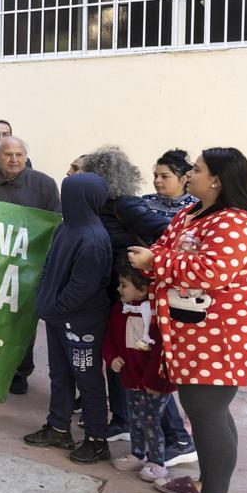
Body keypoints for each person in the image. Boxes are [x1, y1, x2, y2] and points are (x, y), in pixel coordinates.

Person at [128, 148, 247, 493]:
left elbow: (211, 272)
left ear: (217, 179)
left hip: (220, 339)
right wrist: (154, 261)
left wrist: (155, 263)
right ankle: (206, 482)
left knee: (208, 414)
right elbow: (165, 247)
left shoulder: (236, 222)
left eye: (196, 169)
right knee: (205, 410)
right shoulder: (191, 213)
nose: (189, 174)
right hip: (192, 336)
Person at [80, 146, 196, 463]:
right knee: (121, 361)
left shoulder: (127, 205)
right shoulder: (99, 207)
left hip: (136, 297)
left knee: (145, 364)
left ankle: (179, 439)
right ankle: (123, 421)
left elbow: (167, 234)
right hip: (115, 296)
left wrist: (141, 270)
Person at [22, 172, 113, 465]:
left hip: (81, 324)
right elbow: (49, 264)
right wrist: (43, 298)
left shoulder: (94, 239)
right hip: (57, 317)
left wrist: (55, 306)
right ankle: (59, 427)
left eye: (68, 193)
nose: (64, 199)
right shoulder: (66, 228)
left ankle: (97, 440)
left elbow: (82, 288)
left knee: (87, 379)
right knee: (59, 374)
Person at [0, 136, 60, 394]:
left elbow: (54, 224)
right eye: (8, 155)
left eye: (19, 155)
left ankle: (20, 371)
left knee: (21, 320)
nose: (14, 159)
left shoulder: (44, 185)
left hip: (26, 267)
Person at [103, 262, 175, 483]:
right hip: (131, 378)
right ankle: (137, 453)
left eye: (124, 285)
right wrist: (112, 356)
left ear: (143, 289)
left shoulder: (159, 314)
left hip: (155, 383)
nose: (119, 289)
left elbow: (164, 349)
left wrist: (153, 381)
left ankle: (157, 461)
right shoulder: (119, 310)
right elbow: (110, 338)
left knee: (151, 420)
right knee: (135, 418)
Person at [142, 149, 198, 220]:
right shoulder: (144, 203)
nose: (157, 180)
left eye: (164, 176)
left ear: (183, 179)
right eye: (156, 176)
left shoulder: (197, 208)